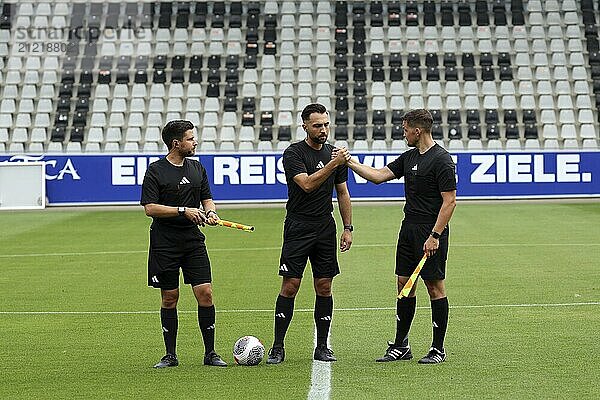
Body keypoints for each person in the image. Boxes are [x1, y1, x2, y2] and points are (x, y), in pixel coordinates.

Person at [337, 109, 456, 364]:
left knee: (434, 287)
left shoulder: (442, 160)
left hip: (431, 231)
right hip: (408, 229)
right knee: (404, 285)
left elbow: (449, 202)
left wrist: (435, 234)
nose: (403, 133)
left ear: (418, 130)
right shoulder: (410, 157)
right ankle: (401, 345)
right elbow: (378, 177)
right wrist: (350, 162)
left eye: (405, 129)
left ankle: (438, 348)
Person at [266, 103, 353, 364]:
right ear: (305, 126)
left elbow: (343, 192)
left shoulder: (333, 153)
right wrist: (333, 162)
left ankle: (323, 346)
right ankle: (278, 346)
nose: (323, 129)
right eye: (317, 125)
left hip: (325, 226)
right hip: (298, 226)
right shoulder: (293, 153)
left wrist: (348, 228)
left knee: (324, 286)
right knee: (290, 285)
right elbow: (306, 184)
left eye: (326, 124)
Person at [140, 120, 227, 368]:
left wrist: (210, 213)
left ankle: (210, 353)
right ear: (176, 143)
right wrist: (182, 210)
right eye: (190, 138)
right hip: (164, 243)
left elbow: (207, 199)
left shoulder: (197, 168)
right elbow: (149, 208)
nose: (195, 142)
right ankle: (170, 355)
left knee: (205, 293)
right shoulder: (155, 170)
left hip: (193, 242)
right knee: (170, 297)